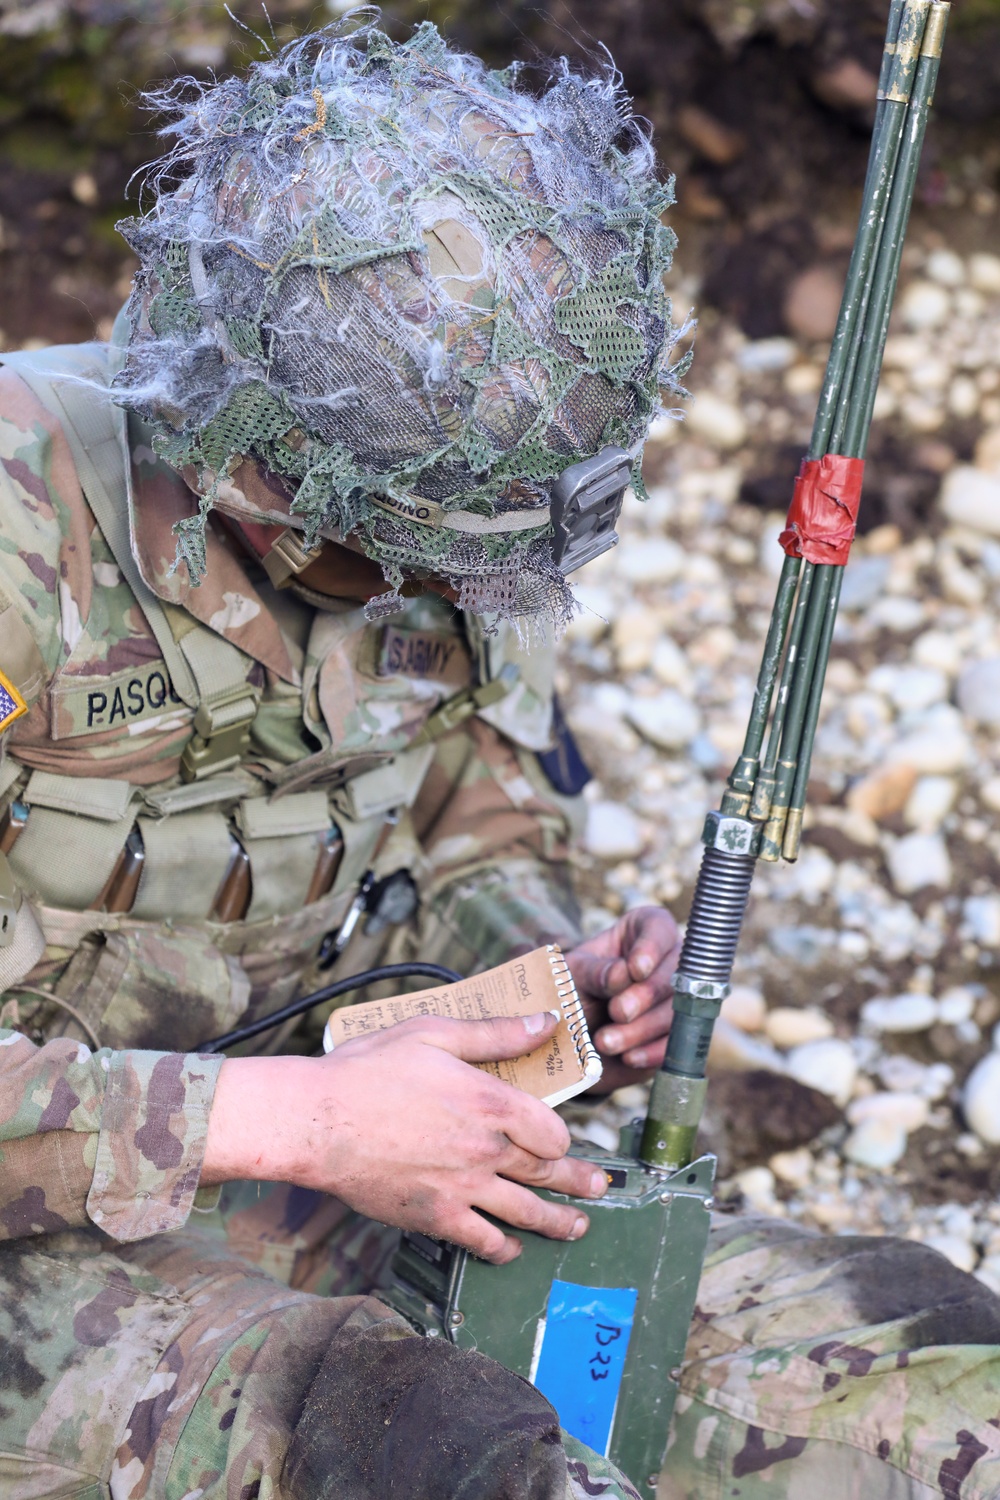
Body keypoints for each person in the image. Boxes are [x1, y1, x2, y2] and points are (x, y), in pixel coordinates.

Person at [2, 16, 1000, 1500]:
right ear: (260, 467)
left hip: (347, 1160)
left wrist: (558, 995)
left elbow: (471, 829)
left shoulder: (475, 499)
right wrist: (305, 1122)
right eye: (382, 552)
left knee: (919, 1392)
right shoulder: (28, 532)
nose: (439, 595)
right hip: (46, 1237)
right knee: (436, 1460)